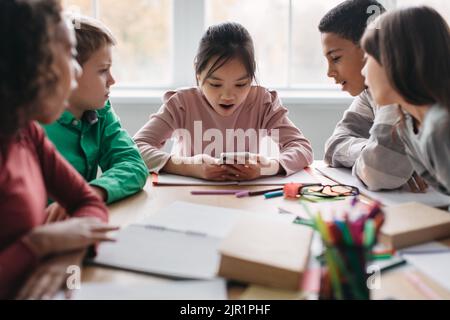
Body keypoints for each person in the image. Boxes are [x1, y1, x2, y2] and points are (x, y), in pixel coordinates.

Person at [0, 0, 116, 299]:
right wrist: (39, 244)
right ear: (29, 62)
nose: (76, 72)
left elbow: (87, 201)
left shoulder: (27, 132)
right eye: (69, 54)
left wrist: (70, 253)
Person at [134, 22, 313, 181]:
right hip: (187, 199)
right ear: (198, 72)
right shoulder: (181, 103)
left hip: (247, 198)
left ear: (252, 77)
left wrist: (268, 167)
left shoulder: (263, 102)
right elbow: (136, 148)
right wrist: (187, 166)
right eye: (215, 84)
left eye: (241, 84)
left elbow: (301, 148)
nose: (228, 96)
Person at [43, 15, 148, 222]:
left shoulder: (100, 111)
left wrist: (94, 192)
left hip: (79, 223)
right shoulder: (32, 124)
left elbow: (133, 163)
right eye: (102, 70)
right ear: (68, 72)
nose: (112, 79)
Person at [319, 0, 424, 192]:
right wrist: (370, 151)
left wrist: (382, 159)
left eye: (336, 58)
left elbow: (378, 172)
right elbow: (333, 145)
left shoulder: (400, 91)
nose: (329, 72)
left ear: (373, 48)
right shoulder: (369, 93)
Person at [361, 6, 450, 195]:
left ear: (396, 60)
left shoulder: (441, 126)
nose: (363, 72)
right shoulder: (406, 126)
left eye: (367, 58)